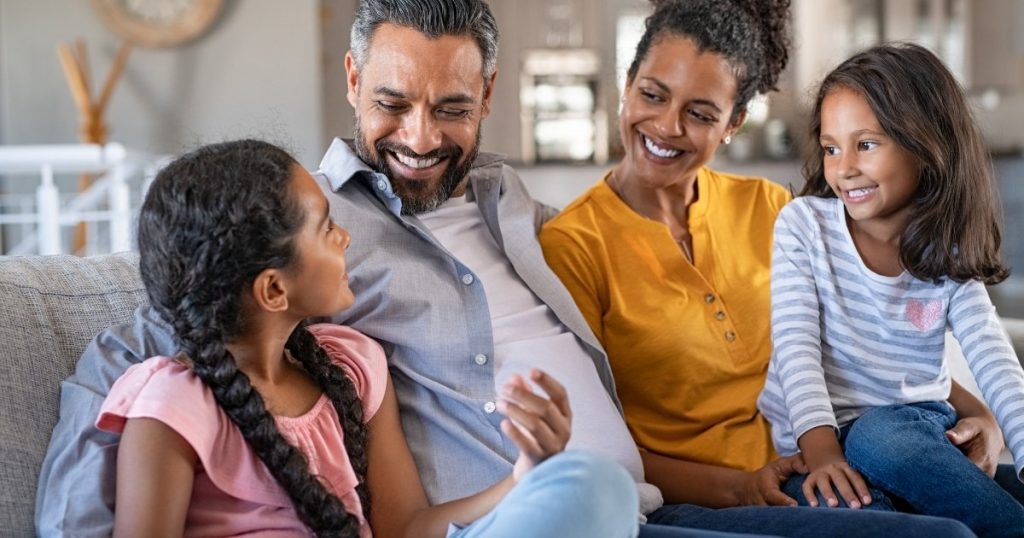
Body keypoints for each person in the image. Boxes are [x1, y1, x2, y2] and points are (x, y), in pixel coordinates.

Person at [35, 1, 967, 537]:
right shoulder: (297, 231)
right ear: (354, 82)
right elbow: (158, 327)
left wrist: (944, 400)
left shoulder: (515, 206)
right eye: (394, 102)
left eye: (451, 106)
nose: (419, 137)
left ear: (487, 93)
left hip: (643, 510)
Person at [540, 0, 986, 536]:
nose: (666, 125)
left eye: (701, 113)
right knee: (945, 534)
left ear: (734, 123)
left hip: (837, 464)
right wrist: (742, 486)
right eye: (652, 94)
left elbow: (871, 337)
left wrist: (974, 412)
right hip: (704, 505)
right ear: (628, 83)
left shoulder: (772, 208)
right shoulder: (572, 245)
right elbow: (594, 445)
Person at [98, 138, 639, 537]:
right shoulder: (173, 406)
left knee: (593, 484)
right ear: (273, 290)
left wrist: (526, 475)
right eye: (326, 228)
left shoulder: (352, 366)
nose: (347, 238)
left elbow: (406, 528)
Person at [757, 42, 1024, 537]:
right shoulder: (804, 227)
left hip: (910, 433)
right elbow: (796, 350)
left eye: (866, 144)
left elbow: (993, 358)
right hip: (821, 444)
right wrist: (822, 455)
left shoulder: (948, 252)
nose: (843, 168)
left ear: (927, 145)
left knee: (883, 436)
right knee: (852, 504)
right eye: (831, 147)